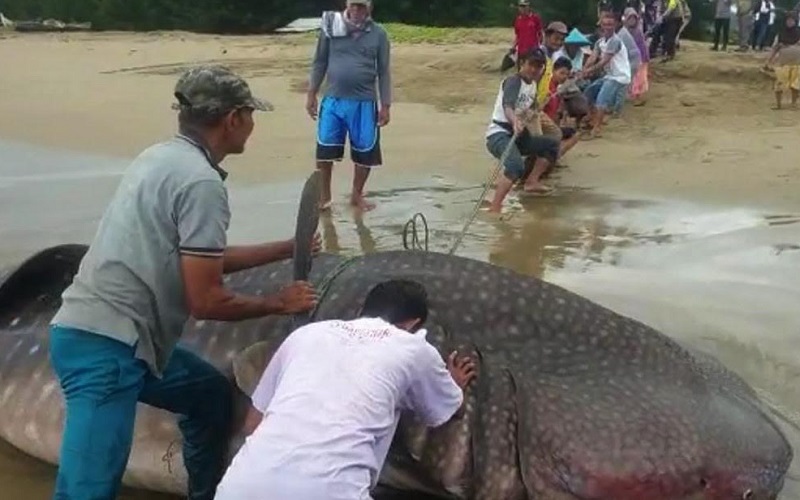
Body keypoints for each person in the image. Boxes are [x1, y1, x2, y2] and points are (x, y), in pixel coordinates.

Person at [47, 65, 319, 500]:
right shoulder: (202, 183)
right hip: (103, 349)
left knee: (210, 396)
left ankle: (206, 493)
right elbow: (206, 300)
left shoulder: (158, 157)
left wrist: (286, 247)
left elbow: (195, 259)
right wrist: (278, 303)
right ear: (233, 119)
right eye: (250, 115)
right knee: (87, 491)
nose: (252, 126)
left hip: (135, 343)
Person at [214, 279, 478, 500]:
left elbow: (252, 425)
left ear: (363, 311)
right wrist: (454, 384)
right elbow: (448, 410)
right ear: (413, 324)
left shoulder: (306, 334)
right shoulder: (415, 348)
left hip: (239, 487)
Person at [307, 0, 391, 212]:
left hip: (364, 102)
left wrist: (386, 105)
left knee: (365, 151)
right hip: (333, 100)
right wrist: (311, 94)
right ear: (347, 4)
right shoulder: (330, 25)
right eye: (354, 5)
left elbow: (384, 71)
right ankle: (325, 197)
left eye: (362, 6)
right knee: (325, 150)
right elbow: (319, 62)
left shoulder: (379, 34)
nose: (357, 10)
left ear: (370, 8)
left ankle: (357, 195)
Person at [485, 48, 561, 212]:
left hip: (519, 135)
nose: (534, 70)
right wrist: (515, 122)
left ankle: (532, 181)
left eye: (538, 66)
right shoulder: (513, 81)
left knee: (552, 144)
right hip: (500, 134)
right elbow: (508, 106)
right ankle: (495, 207)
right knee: (515, 166)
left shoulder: (532, 85)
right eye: (531, 65)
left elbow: (530, 110)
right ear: (522, 64)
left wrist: (538, 107)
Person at [580, 14, 632, 138]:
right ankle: (593, 119)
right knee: (588, 92)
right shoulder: (600, 42)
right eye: (605, 24)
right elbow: (593, 57)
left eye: (610, 24)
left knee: (601, 100)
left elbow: (604, 61)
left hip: (619, 76)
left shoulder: (615, 41)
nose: (608, 27)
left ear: (615, 25)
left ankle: (596, 128)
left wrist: (587, 71)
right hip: (610, 75)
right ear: (601, 25)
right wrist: (584, 69)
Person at [542, 57, 581, 163]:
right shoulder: (547, 88)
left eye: (566, 75)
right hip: (543, 127)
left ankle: (554, 157)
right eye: (562, 73)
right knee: (573, 135)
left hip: (549, 126)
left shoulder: (557, 90)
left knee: (573, 133)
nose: (564, 77)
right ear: (553, 71)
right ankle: (552, 159)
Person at [765, 11, 800, 109]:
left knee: (796, 86)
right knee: (779, 84)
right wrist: (768, 61)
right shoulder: (781, 34)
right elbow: (775, 49)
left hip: (797, 64)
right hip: (783, 64)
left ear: (795, 21)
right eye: (788, 20)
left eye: (792, 20)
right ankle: (778, 105)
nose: (789, 22)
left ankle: (794, 104)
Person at [615, 13, 642, 115]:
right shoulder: (621, 33)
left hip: (632, 60)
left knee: (622, 82)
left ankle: (618, 108)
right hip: (631, 59)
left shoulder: (621, 34)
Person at [622, 8, 650, 105]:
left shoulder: (637, 31)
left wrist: (644, 58)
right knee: (634, 78)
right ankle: (634, 95)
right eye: (630, 19)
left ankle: (638, 97)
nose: (632, 21)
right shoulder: (625, 32)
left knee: (640, 78)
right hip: (632, 59)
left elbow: (642, 47)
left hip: (641, 58)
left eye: (634, 19)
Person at [510, 0, 544, 69]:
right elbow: (517, 35)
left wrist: (540, 46)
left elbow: (540, 33)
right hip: (521, 50)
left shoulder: (535, 18)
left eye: (524, 6)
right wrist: (513, 46)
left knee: (532, 69)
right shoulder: (518, 20)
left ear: (528, 7)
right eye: (521, 6)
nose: (523, 8)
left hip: (533, 50)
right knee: (521, 70)